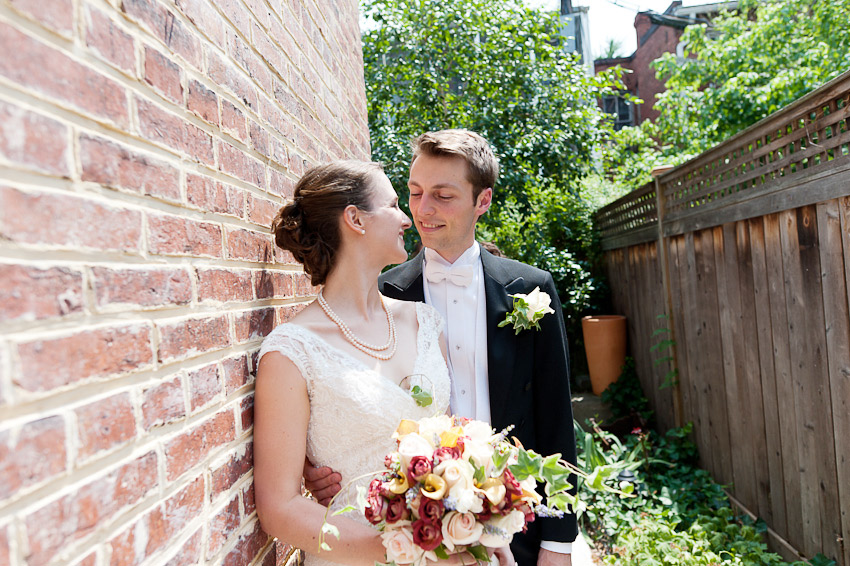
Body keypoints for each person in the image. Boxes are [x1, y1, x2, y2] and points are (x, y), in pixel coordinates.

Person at [305, 130, 578, 566]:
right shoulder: (383, 292)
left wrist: (558, 543)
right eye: (414, 193)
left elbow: (556, 417)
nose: (422, 210)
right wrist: (314, 465)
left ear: (482, 201)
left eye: (443, 195)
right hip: (419, 528)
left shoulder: (531, 289)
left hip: (520, 526)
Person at [254, 161, 457, 566]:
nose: (406, 218)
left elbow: (451, 447)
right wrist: (407, 549)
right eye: (395, 204)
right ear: (355, 219)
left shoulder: (424, 321)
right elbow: (280, 509)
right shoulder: (293, 351)